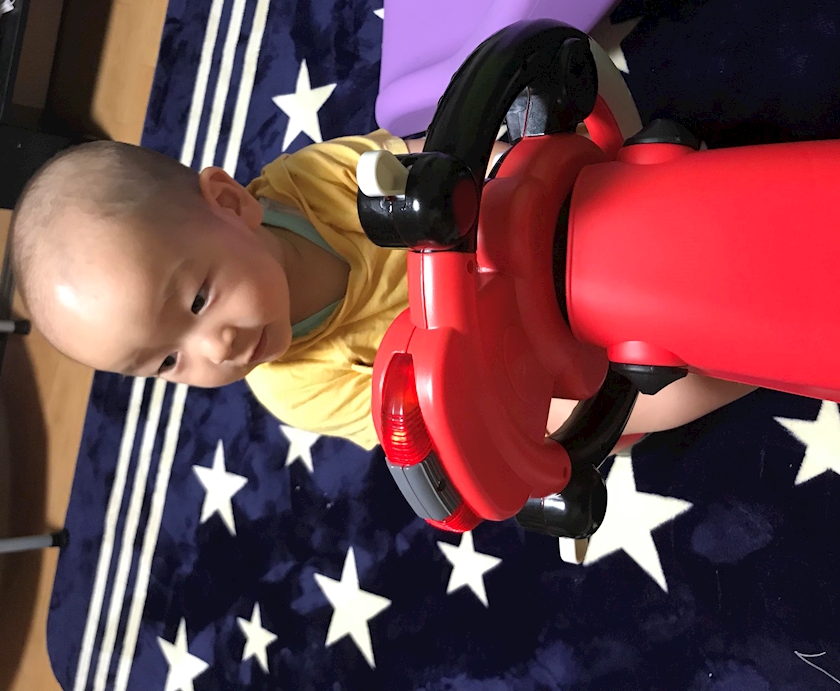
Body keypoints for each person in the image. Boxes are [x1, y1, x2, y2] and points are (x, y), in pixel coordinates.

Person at [9, 129, 756, 450]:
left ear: (231, 204)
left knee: (592, 176)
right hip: (512, 363)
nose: (218, 349)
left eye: (199, 299)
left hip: (516, 232)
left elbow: (437, 164)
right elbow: (456, 417)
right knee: (636, 402)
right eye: (169, 363)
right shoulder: (295, 390)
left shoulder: (309, 182)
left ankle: (713, 203)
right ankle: (760, 365)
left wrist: (517, 172)